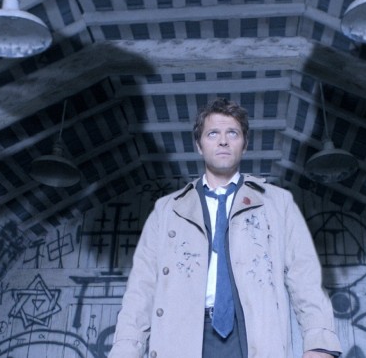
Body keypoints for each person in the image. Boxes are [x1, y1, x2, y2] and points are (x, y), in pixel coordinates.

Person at [109, 98, 341, 358]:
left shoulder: (277, 203)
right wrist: (125, 351)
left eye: (232, 133)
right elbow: (141, 288)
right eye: (213, 133)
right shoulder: (167, 210)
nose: (223, 141)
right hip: (182, 337)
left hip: (255, 335)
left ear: (245, 144)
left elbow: (304, 275)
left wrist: (319, 342)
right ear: (199, 146)